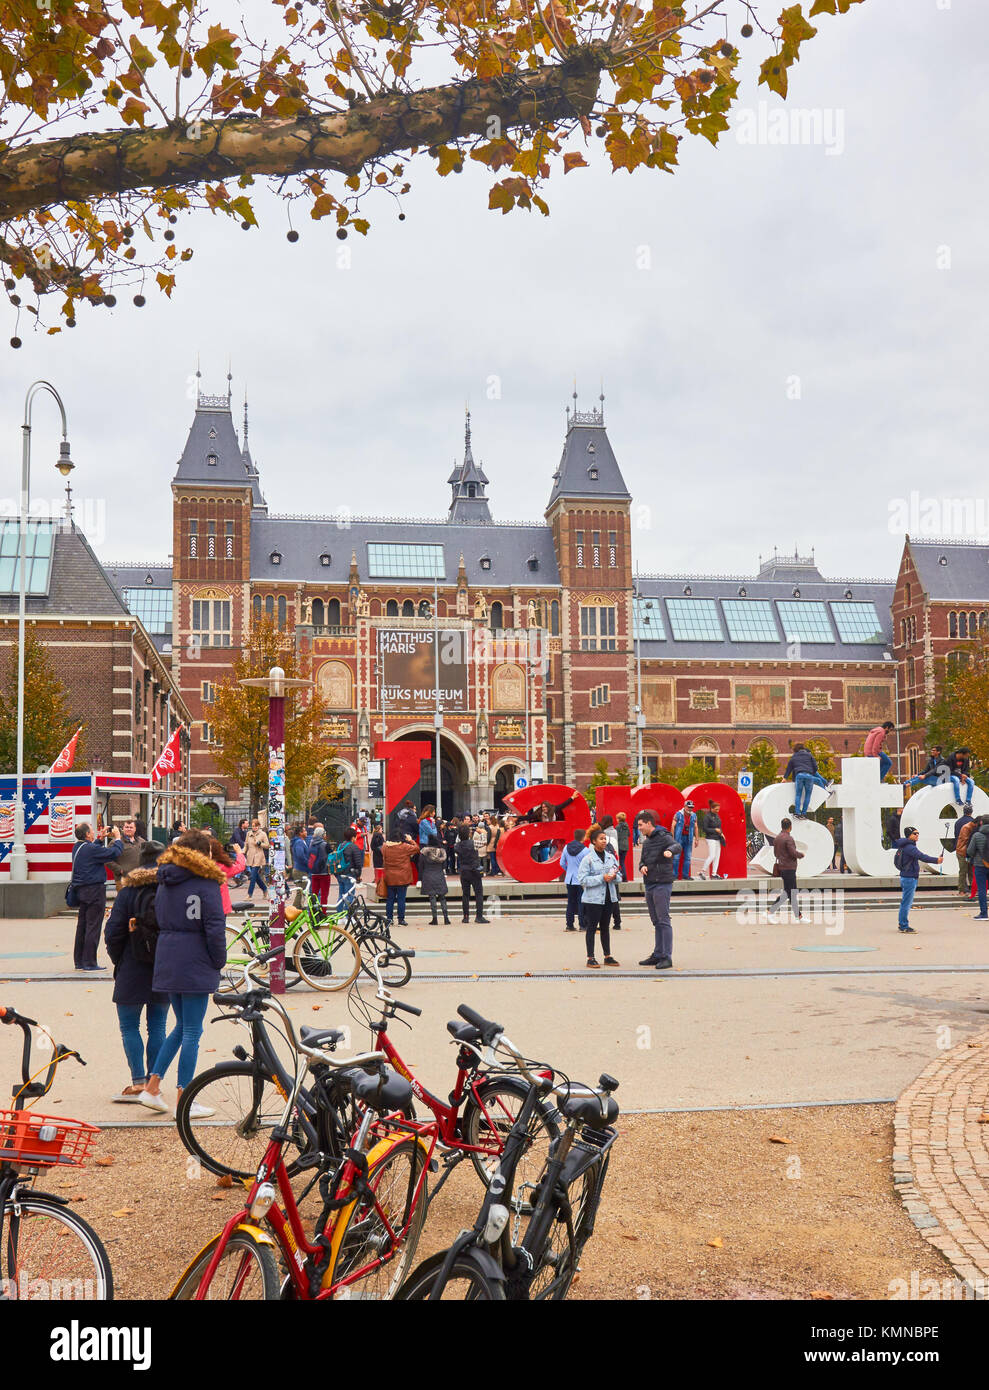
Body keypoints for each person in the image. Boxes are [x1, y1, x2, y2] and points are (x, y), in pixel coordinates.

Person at [139, 829, 227, 1117]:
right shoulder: (207, 884)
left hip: (168, 955)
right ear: (203, 855)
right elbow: (214, 927)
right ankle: (185, 1098)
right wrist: (219, 960)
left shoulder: (165, 880)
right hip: (195, 958)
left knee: (181, 1026)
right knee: (192, 1030)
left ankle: (152, 1087)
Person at [103, 839, 169, 1102]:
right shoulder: (170, 888)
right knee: (159, 1026)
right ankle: (154, 1083)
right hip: (163, 966)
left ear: (141, 861)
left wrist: (119, 958)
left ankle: (138, 1082)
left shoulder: (129, 891)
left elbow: (113, 931)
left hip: (132, 964)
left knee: (129, 1026)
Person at [70, 823, 123, 971]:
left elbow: (93, 851)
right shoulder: (91, 849)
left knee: (83, 926)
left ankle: (79, 961)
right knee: (93, 926)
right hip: (94, 890)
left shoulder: (78, 847)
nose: (94, 832)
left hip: (82, 891)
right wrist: (117, 838)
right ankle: (89, 962)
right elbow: (113, 853)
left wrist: (100, 838)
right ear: (87, 834)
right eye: (92, 831)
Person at [636, 811, 680, 970]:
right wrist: (642, 867)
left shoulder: (663, 836)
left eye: (641, 825)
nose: (639, 828)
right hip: (650, 883)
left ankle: (667, 957)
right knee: (656, 921)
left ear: (649, 823)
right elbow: (642, 861)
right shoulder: (647, 842)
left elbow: (677, 846)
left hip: (662, 882)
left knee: (663, 920)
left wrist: (670, 851)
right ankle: (658, 953)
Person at [576, 829, 621, 969]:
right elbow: (582, 880)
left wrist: (614, 877)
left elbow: (619, 875)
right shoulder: (588, 859)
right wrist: (601, 878)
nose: (604, 841)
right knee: (591, 928)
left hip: (609, 897)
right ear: (594, 841)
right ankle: (591, 957)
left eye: (605, 838)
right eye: (601, 838)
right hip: (593, 899)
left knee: (605, 927)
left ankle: (607, 956)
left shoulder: (610, 857)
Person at [893, 826, 943, 932]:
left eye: (918, 833)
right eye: (914, 833)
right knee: (906, 903)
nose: (917, 835)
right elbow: (922, 856)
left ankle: (902, 924)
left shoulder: (905, 845)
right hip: (909, 878)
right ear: (909, 835)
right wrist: (936, 860)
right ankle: (903, 926)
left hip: (906, 876)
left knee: (905, 902)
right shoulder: (910, 847)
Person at [381, 830, 418, 928]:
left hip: (390, 877)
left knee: (390, 899)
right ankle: (401, 919)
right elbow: (417, 849)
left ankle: (389, 919)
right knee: (401, 899)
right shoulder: (404, 847)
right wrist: (411, 840)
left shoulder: (385, 847)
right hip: (402, 877)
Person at [770, 817, 805, 920]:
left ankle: (798, 916)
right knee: (791, 892)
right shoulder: (788, 838)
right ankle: (770, 912)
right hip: (789, 868)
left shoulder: (777, 838)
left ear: (782, 826)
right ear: (790, 827)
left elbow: (775, 853)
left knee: (789, 892)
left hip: (782, 867)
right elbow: (793, 853)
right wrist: (801, 854)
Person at [783, 744, 830, 819]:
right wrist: (811, 772)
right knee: (807, 795)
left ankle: (797, 813)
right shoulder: (809, 755)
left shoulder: (794, 756)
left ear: (795, 750)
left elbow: (789, 768)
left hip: (799, 775)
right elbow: (815, 767)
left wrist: (785, 778)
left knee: (798, 795)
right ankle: (804, 814)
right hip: (809, 776)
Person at [455, 823, 488, 924]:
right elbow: (484, 842)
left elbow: (457, 853)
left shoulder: (457, 846)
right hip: (474, 870)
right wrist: (481, 833)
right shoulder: (473, 843)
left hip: (464, 871)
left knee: (465, 895)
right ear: (469, 833)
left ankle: (466, 917)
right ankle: (479, 916)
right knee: (478, 893)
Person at [419, 834, 451, 924]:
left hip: (428, 875)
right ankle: (446, 918)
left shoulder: (424, 852)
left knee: (432, 897)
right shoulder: (442, 852)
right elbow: (444, 865)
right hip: (439, 875)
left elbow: (420, 865)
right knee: (442, 897)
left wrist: (420, 878)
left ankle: (435, 919)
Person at [559, 833, 588, 932]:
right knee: (581, 902)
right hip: (580, 879)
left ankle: (569, 925)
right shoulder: (585, 850)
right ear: (583, 837)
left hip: (569, 879)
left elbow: (562, 863)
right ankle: (582, 925)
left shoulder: (566, 847)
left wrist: (569, 870)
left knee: (570, 902)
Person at [333, 826, 364, 906]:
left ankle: (339, 914)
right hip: (349, 874)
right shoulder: (354, 847)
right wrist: (358, 876)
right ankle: (347, 915)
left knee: (341, 895)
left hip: (340, 873)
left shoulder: (340, 846)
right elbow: (358, 864)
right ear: (353, 837)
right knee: (349, 895)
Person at [965, 816, 989, 919]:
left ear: (981, 823)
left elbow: (970, 851)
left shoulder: (977, 835)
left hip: (980, 865)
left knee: (982, 889)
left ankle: (983, 913)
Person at [671, 800, 699, 879]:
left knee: (688, 858)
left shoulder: (694, 815)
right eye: (689, 807)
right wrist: (672, 838)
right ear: (684, 806)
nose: (690, 809)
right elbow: (673, 826)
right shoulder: (678, 814)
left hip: (689, 838)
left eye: (691, 807)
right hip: (679, 838)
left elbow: (696, 827)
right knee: (676, 857)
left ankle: (686, 875)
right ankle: (674, 876)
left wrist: (697, 839)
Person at [954, 805, 977, 899]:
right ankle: (973, 889)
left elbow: (956, 835)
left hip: (960, 849)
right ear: (971, 812)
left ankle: (962, 889)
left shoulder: (958, 822)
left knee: (962, 871)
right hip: (969, 850)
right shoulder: (973, 823)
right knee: (971, 871)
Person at [699, 800, 726, 879]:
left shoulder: (717, 816)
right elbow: (705, 828)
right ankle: (702, 871)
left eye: (718, 809)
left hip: (717, 838)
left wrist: (721, 833)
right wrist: (715, 830)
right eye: (716, 809)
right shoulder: (707, 817)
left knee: (717, 856)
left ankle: (714, 874)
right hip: (710, 838)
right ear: (711, 808)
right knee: (712, 855)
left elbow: (719, 826)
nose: (718, 811)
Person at [244, 818, 270, 899]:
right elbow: (246, 845)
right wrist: (242, 852)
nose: (254, 827)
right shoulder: (248, 834)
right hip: (250, 856)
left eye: (255, 826)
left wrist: (259, 844)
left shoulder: (263, 834)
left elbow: (267, 845)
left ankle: (249, 894)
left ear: (259, 826)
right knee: (256, 876)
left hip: (258, 856)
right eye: (253, 826)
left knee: (253, 875)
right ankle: (265, 889)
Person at [307, 824, 330, 906]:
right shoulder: (325, 844)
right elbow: (329, 857)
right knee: (324, 896)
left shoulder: (311, 843)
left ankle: (313, 913)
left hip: (314, 872)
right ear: (322, 835)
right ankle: (323, 913)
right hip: (324, 873)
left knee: (314, 895)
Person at [616, 812, 631, 882]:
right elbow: (628, 834)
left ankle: (623, 877)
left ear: (619, 819)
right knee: (622, 862)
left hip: (619, 845)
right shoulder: (626, 826)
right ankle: (624, 877)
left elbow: (617, 836)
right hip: (626, 846)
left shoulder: (618, 827)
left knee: (620, 862)